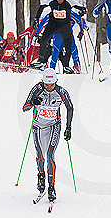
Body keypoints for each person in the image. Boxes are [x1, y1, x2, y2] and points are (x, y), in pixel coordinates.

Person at [22, 68, 74, 202]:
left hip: (54, 126)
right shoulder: (37, 89)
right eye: (46, 85)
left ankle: (51, 187)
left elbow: (70, 107)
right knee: (40, 155)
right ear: (42, 82)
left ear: (56, 81)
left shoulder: (61, 91)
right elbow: (25, 108)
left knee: (50, 155)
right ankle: (41, 176)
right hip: (38, 127)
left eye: (52, 84)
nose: (49, 87)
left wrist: (68, 128)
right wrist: (33, 102)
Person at [31, 0, 86, 71]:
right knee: (44, 39)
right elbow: (42, 7)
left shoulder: (69, 1)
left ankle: (67, 66)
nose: (60, 0)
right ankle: (41, 62)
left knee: (69, 45)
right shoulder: (51, 0)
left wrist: (82, 12)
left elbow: (82, 9)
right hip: (53, 24)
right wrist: (36, 20)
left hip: (64, 26)